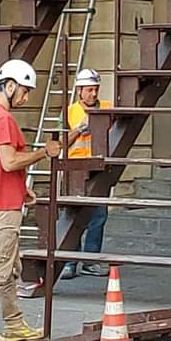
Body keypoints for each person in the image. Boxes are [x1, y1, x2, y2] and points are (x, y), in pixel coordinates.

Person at [0, 58, 60, 341]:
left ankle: (14, 324)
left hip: (1, 199)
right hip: (4, 207)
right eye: (24, 90)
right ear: (9, 85)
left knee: (10, 268)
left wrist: (22, 190)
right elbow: (9, 162)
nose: (26, 97)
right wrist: (42, 153)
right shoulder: (3, 118)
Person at [63, 68, 112, 279]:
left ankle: (91, 260)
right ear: (80, 91)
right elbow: (61, 142)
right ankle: (70, 262)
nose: (94, 94)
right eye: (90, 90)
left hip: (98, 168)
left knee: (99, 215)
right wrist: (78, 130)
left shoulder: (108, 108)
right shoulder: (70, 111)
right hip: (75, 169)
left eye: (96, 89)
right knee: (75, 215)